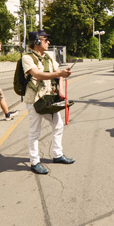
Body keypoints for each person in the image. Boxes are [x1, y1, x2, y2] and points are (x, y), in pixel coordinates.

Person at [22, 30, 73, 175]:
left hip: (48, 99)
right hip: (35, 100)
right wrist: (59, 74)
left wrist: (61, 91)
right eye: (46, 40)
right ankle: (35, 162)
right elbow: (37, 75)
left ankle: (57, 155)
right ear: (37, 41)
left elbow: (59, 75)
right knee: (35, 132)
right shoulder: (27, 58)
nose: (48, 42)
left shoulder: (49, 58)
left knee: (58, 125)